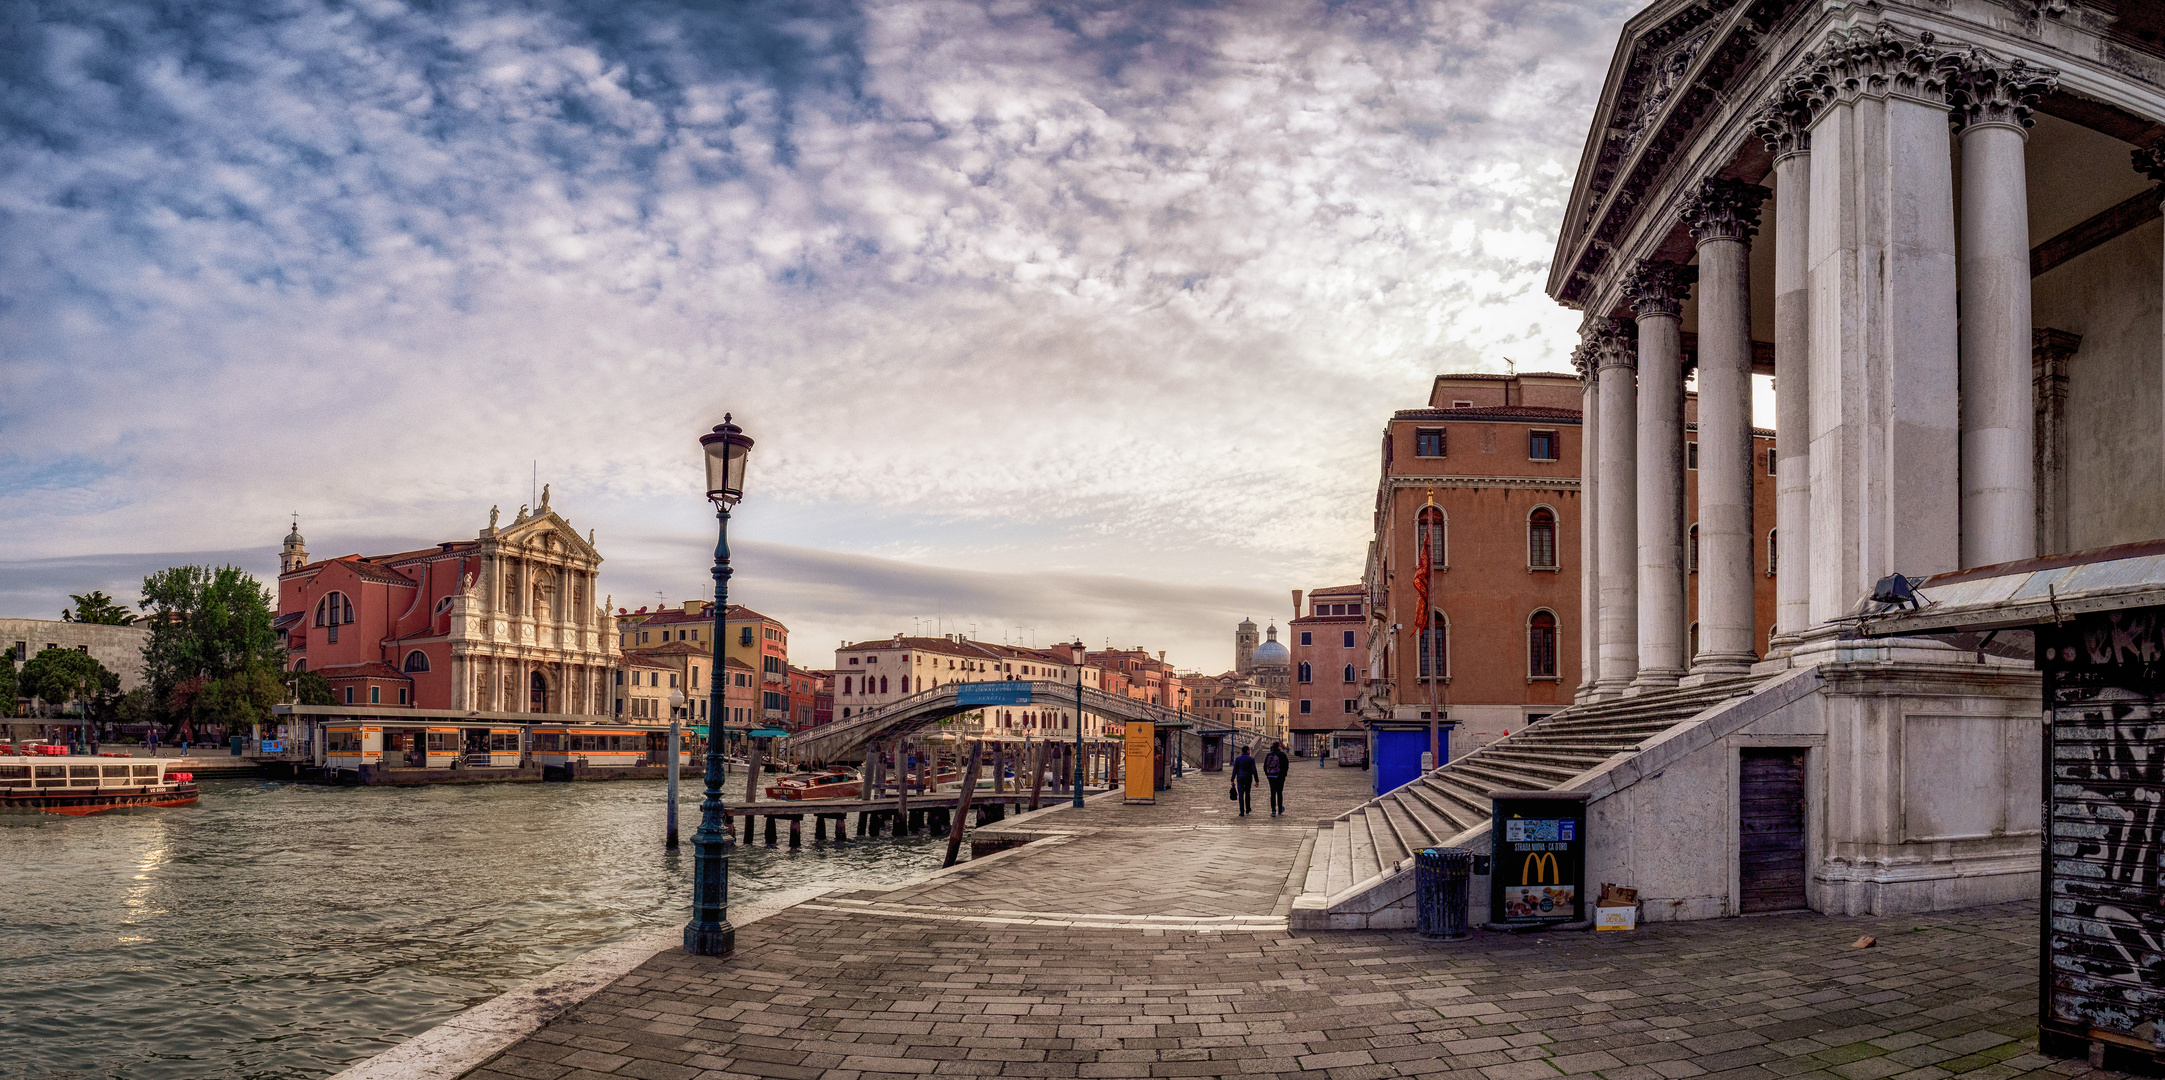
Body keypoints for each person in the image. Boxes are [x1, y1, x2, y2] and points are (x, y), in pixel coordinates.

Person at [1263, 742, 1290, 817]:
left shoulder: (1269, 755)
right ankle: (1280, 809)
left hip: (1271, 776)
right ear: (1279, 747)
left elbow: (1265, 766)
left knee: (1272, 793)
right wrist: (1284, 775)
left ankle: (1273, 810)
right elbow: (1286, 765)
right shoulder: (1282, 755)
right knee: (1279, 793)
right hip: (1280, 776)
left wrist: (1267, 774)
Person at [1231, 747, 1257, 817]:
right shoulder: (1251, 759)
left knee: (1241, 795)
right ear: (1248, 751)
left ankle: (1242, 811)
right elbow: (1254, 770)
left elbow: (1235, 770)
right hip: (1248, 778)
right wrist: (1256, 780)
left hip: (1240, 778)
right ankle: (1248, 808)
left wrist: (1232, 779)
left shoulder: (1238, 759)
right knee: (1247, 793)